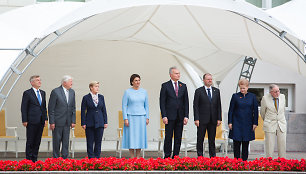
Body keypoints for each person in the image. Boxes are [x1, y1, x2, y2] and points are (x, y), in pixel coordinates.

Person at [160, 66, 189, 158]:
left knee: (178, 137)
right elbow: (162, 102)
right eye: (176, 73)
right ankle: (167, 156)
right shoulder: (165, 85)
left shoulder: (183, 86)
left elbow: (186, 102)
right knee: (168, 137)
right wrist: (164, 115)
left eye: (179, 73)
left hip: (180, 116)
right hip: (169, 116)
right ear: (170, 74)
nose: (178, 75)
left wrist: (186, 116)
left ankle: (176, 156)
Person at [228, 78, 258, 161]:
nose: (242, 90)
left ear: (247, 87)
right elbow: (231, 110)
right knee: (236, 143)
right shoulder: (235, 96)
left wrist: (255, 123)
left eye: (244, 88)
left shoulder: (252, 97)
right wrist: (230, 122)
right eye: (241, 88)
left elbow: (255, 110)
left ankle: (244, 161)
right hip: (236, 123)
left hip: (248, 124)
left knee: (245, 143)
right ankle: (236, 161)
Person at [193, 73, 222, 158]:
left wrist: (219, 118)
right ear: (204, 80)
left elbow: (218, 105)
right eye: (208, 79)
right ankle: (200, 156)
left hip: (213, 119)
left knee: (212, 139)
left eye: (211, 79)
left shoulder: (216, 91)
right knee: (200, 139)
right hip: (202, 119)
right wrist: (196, 118)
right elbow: (195, 106)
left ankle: (212, 156)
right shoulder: (198, 91)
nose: (210, 80)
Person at [21, 75, 48, 162]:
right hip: (31, 121)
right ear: (32, 82)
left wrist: (45, 119)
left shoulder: (43, 93)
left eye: (40, 80)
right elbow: (24, 107)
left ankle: (34, 159)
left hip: (40, 121)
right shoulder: (27, 93)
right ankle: (28, 160)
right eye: (37, 80)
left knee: (37, 141)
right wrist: (24, 120)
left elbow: (44, 107)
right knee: (30, 141)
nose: (39, 82)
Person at [48, 75, 76, 159]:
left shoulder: (72, 92)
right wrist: (52, 122)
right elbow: (51, 108)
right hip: (57, 121)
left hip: (67, 121)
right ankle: (56, 158)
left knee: (66, 141)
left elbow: (73, 107)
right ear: (64, 82)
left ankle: (65, 158)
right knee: (57, 141)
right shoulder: (55, 91)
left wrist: (73, 120)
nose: (72, 83)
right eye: (70, 81)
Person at [122, 74, 149, 158]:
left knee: (139, 137)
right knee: (131, 137)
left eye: (139, 80)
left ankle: (138, 156)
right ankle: (131, 157)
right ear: (132, 82)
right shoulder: (127, 92)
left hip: (141, 117)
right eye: (136, 80)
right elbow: (124, 106)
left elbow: (146, 106)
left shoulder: (144, 92)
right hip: (130, 117)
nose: (138, 82)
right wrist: (125, 118)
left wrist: (147, 117)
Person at [81, 81, 108, 159]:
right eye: (96, 86)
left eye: (98, 86)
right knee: (90, 141)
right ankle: (91, 158)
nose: (97, 88)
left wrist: (105, 122)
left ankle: (97, 157)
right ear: (91, 87)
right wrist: (83, 123)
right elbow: (83, 111)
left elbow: (104, 110)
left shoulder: (101, 97)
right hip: (89, 122)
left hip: (100, 122)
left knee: (98, 141)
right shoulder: (86, 97)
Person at [260, 84, 286, 158]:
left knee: (282, 144)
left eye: (278, 91)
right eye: (275, 92)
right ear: (271, 92)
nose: (278, 93)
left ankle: (282, 162)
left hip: (281, 123)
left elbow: (283, 109)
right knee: (269, 145)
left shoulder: (283, 96)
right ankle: (269, 163)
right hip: (270, 124)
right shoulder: (265, 98)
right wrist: (267, 120)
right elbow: (262, 112)